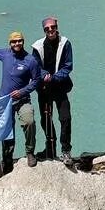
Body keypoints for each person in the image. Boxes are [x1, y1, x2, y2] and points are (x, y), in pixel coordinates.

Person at [0, 22, 41, 169]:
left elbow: (36, 81)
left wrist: (22, 91)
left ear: (23, 42)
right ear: (10, 43)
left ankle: (29, 152)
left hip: (23, 100)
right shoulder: (5, 54)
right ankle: (7, 159)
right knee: (7, 131)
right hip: (5, 101)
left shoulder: (30, 60)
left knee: (29, 122)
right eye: (14, 41)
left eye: (19, 41)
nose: (17, 43)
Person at [32, 16, 74, 165]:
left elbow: (68, 66)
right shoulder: (38, 46)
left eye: (52, 27)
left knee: (65, 117)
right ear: (44, 30)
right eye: (47, 29)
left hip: (60, 86)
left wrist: (54, 77)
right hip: (44, 88)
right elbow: (36, 66)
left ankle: (66, 151)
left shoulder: (65, 43)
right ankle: (50, 149)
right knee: (46, 119)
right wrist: (45, 76)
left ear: (57, 27)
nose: (50, 30)